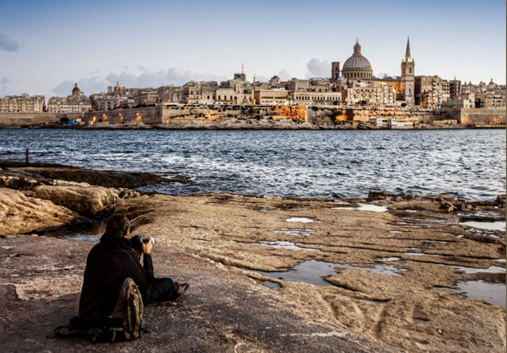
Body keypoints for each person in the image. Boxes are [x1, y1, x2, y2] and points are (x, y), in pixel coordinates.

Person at [78, 214, 188, 319]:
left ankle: (172, 290)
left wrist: (131, 249)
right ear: (126, 232)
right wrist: (147, 254)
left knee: (156, 283)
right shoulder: (121, 254)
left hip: (86, 310)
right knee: (166, 282)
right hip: (107, 312)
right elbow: (147, 283)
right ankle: (172, 290)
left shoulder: (96, 249)